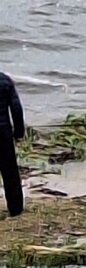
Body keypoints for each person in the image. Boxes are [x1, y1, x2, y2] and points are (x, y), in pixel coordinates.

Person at [0, 70, 25, 217]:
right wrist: (19, 132)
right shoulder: (5, 81)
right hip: (3, 134)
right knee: (10, 173)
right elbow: (16, 109)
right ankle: (15, 210)